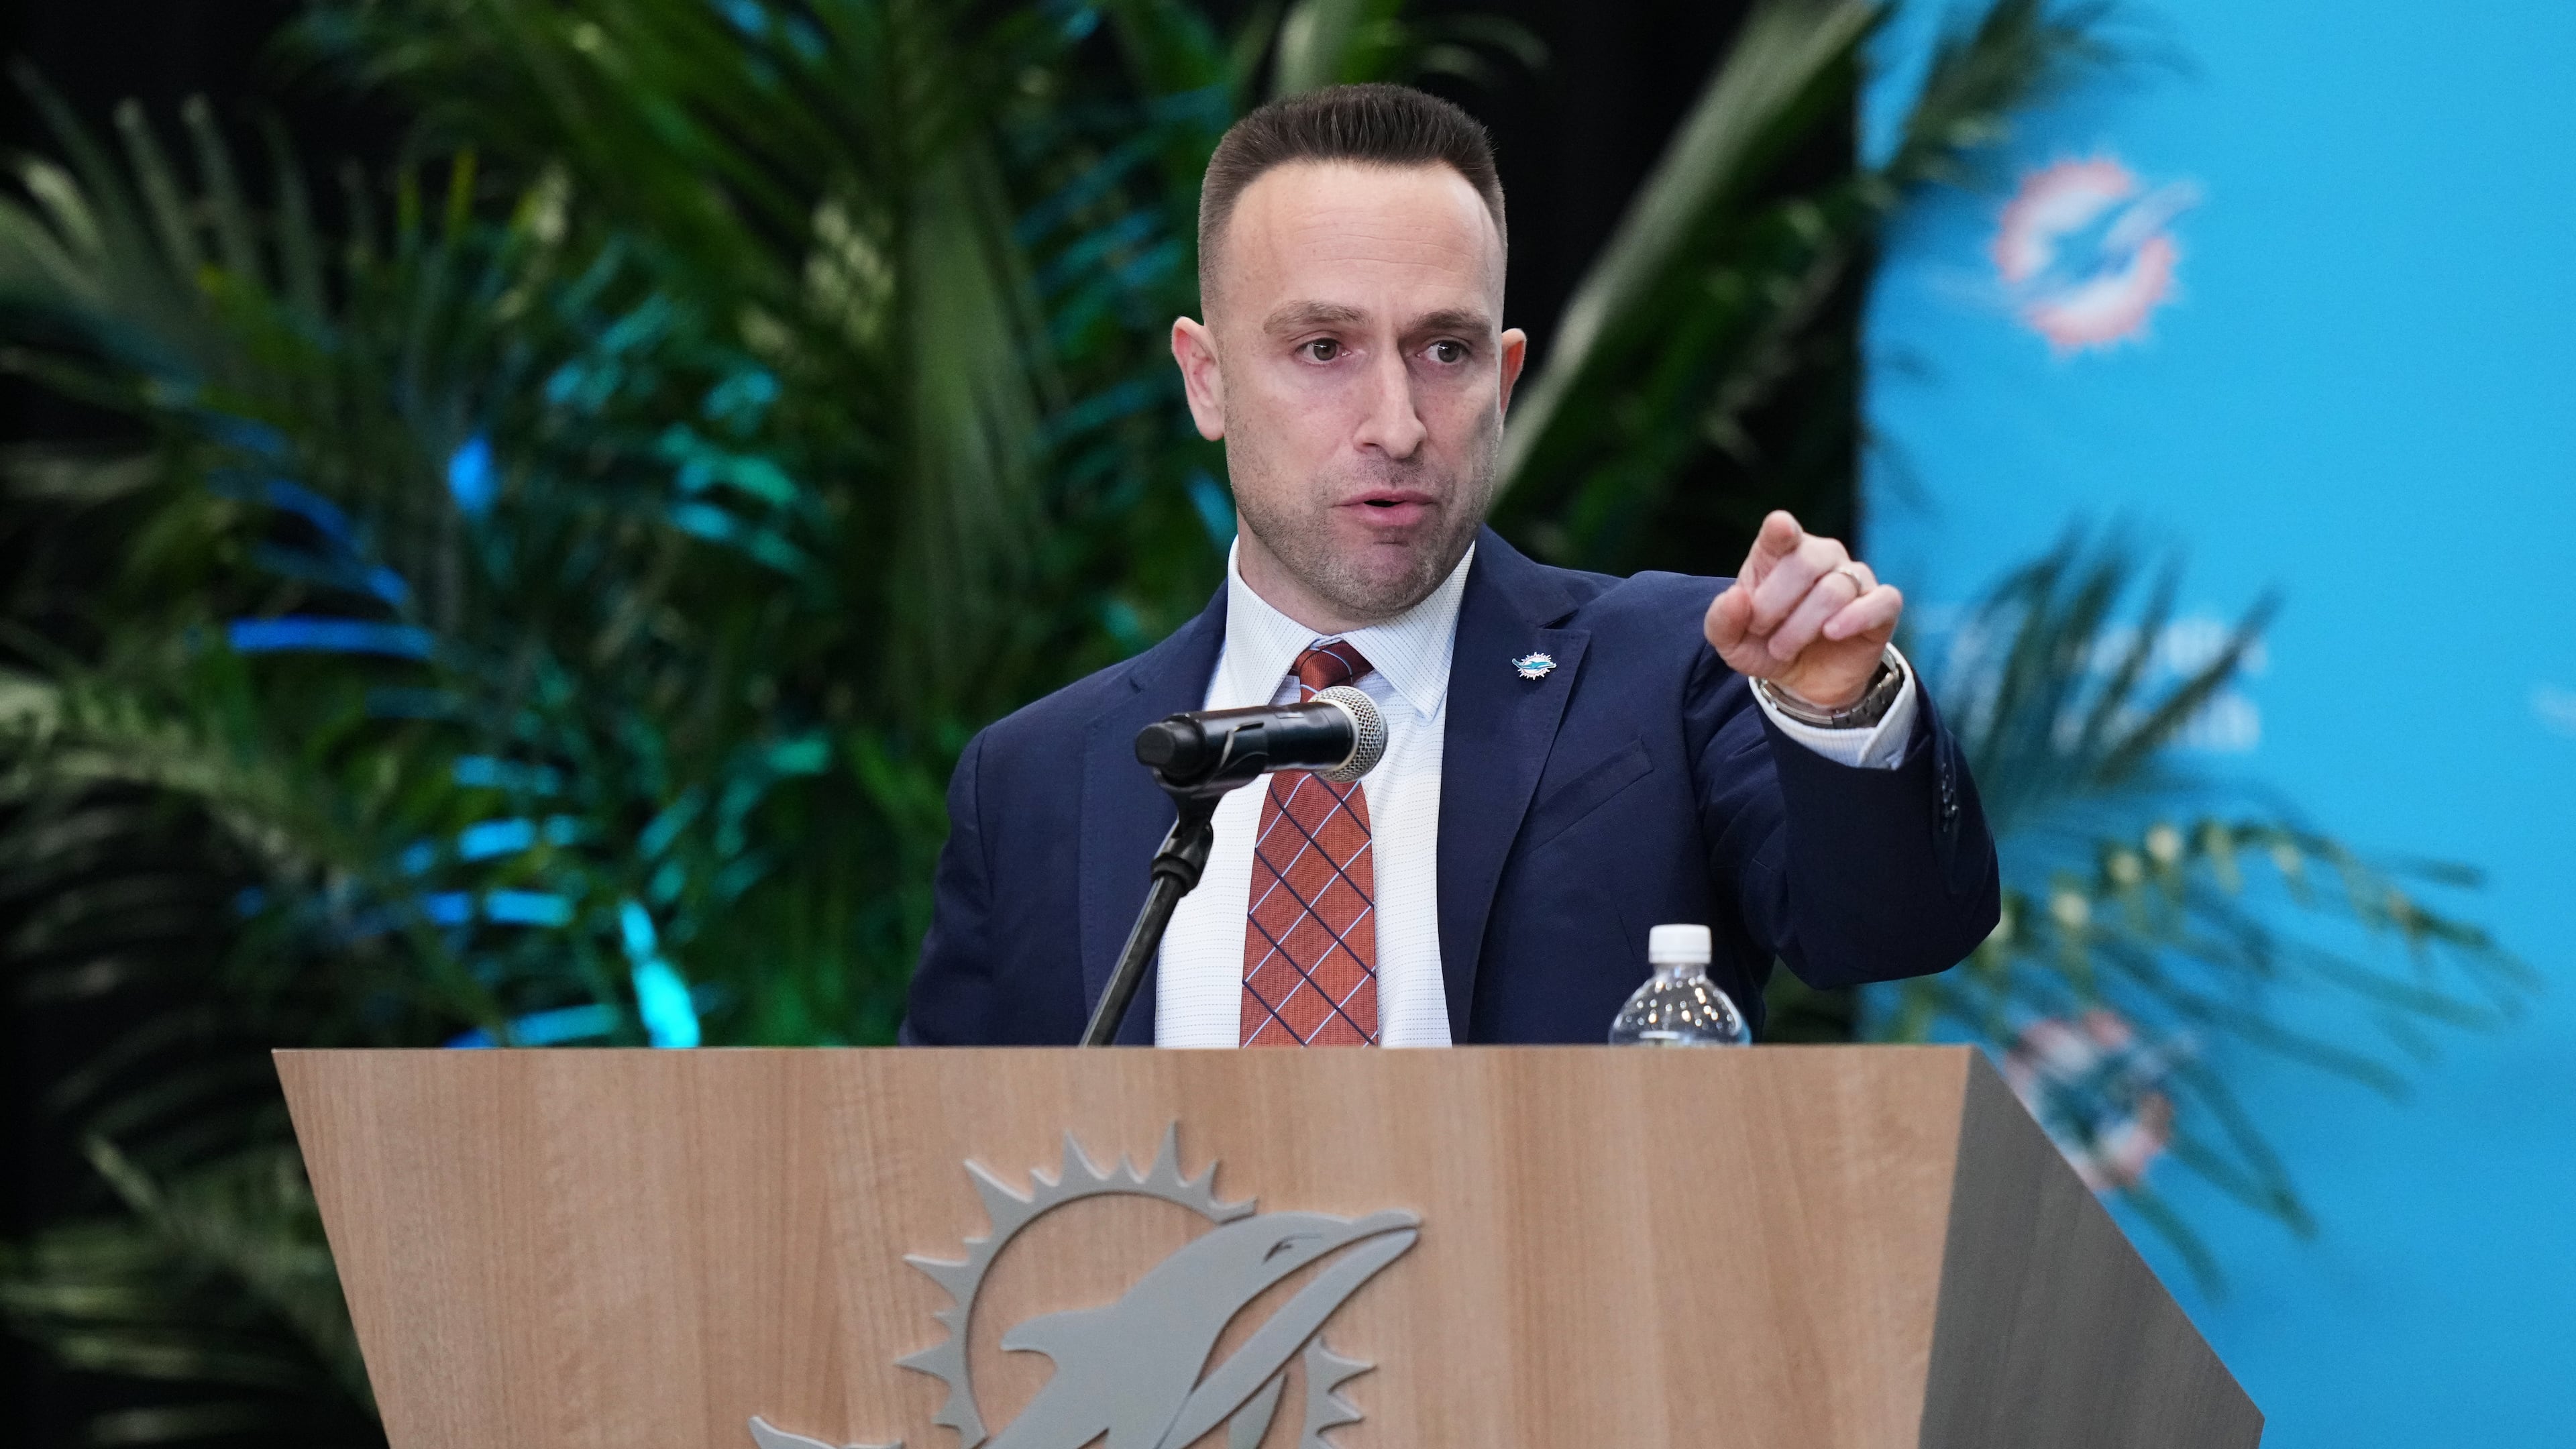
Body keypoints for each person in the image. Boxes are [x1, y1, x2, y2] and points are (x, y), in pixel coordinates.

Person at [903, 83, 1997, 1047]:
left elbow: (1892, 932)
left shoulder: (1669, 675)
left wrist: (1838, 713)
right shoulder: (1038, 780)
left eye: (1446, 351)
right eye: (1323, 350)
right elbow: (936, 1189)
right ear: (1207, 380)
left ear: (1505, 377)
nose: (1397, 422)